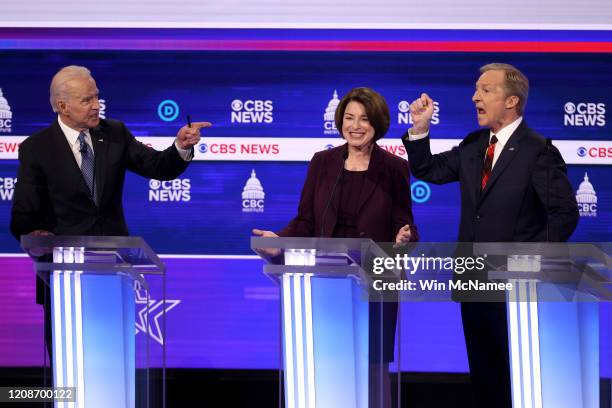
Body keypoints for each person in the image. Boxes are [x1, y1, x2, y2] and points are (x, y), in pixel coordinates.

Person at [9, 65, 210, 369]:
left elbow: (157, 166)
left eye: (97, 97)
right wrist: (41, 240)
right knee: (69, 367)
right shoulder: (36, 149)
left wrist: (180, 146)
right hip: (63, 281)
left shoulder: (114, 133)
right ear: (63, 107)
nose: (96, 106)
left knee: (112, 367)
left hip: (113, 272)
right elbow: (23, 216)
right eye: (87, 100)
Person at [402, 63, 579, 407]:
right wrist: (420, 129)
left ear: (511, 100)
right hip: (473, 284)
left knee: (516, 379)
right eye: (476, 89)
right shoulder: (473, 146)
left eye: (485, 90)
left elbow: (565, 214)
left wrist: (524, 261)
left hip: (517, 288)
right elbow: (428, 170)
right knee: (484, 378)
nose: (474, 97)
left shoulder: (538, 151)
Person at [253, 87, 418, 406]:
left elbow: (405, 223)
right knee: (326, 364)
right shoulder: (322, 163)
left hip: (376, 285)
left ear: (378, 124)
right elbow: (305, 222)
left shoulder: (394, 169)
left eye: (364, 119)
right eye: (349, 118)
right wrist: (280, 242)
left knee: (372, 372)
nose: (355, 126)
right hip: (325, 285)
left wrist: (402, 239)